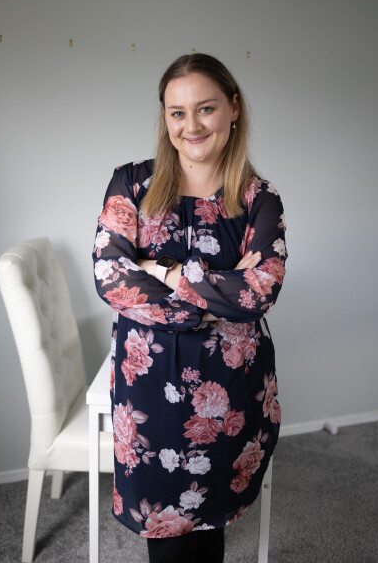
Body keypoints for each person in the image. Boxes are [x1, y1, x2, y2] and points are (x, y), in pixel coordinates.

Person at [92, 53, 287, 562]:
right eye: (178, 112)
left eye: (206, 108)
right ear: (165, 117)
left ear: (233, 108)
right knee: (167, 536)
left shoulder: (259, 199)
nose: (192, 125)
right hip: (150, 392)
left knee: (212, 521)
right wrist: (210, 302)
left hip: (232, 390)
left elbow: (259, 292)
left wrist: (162, 270)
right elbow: (110, 277)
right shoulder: (131, 184)